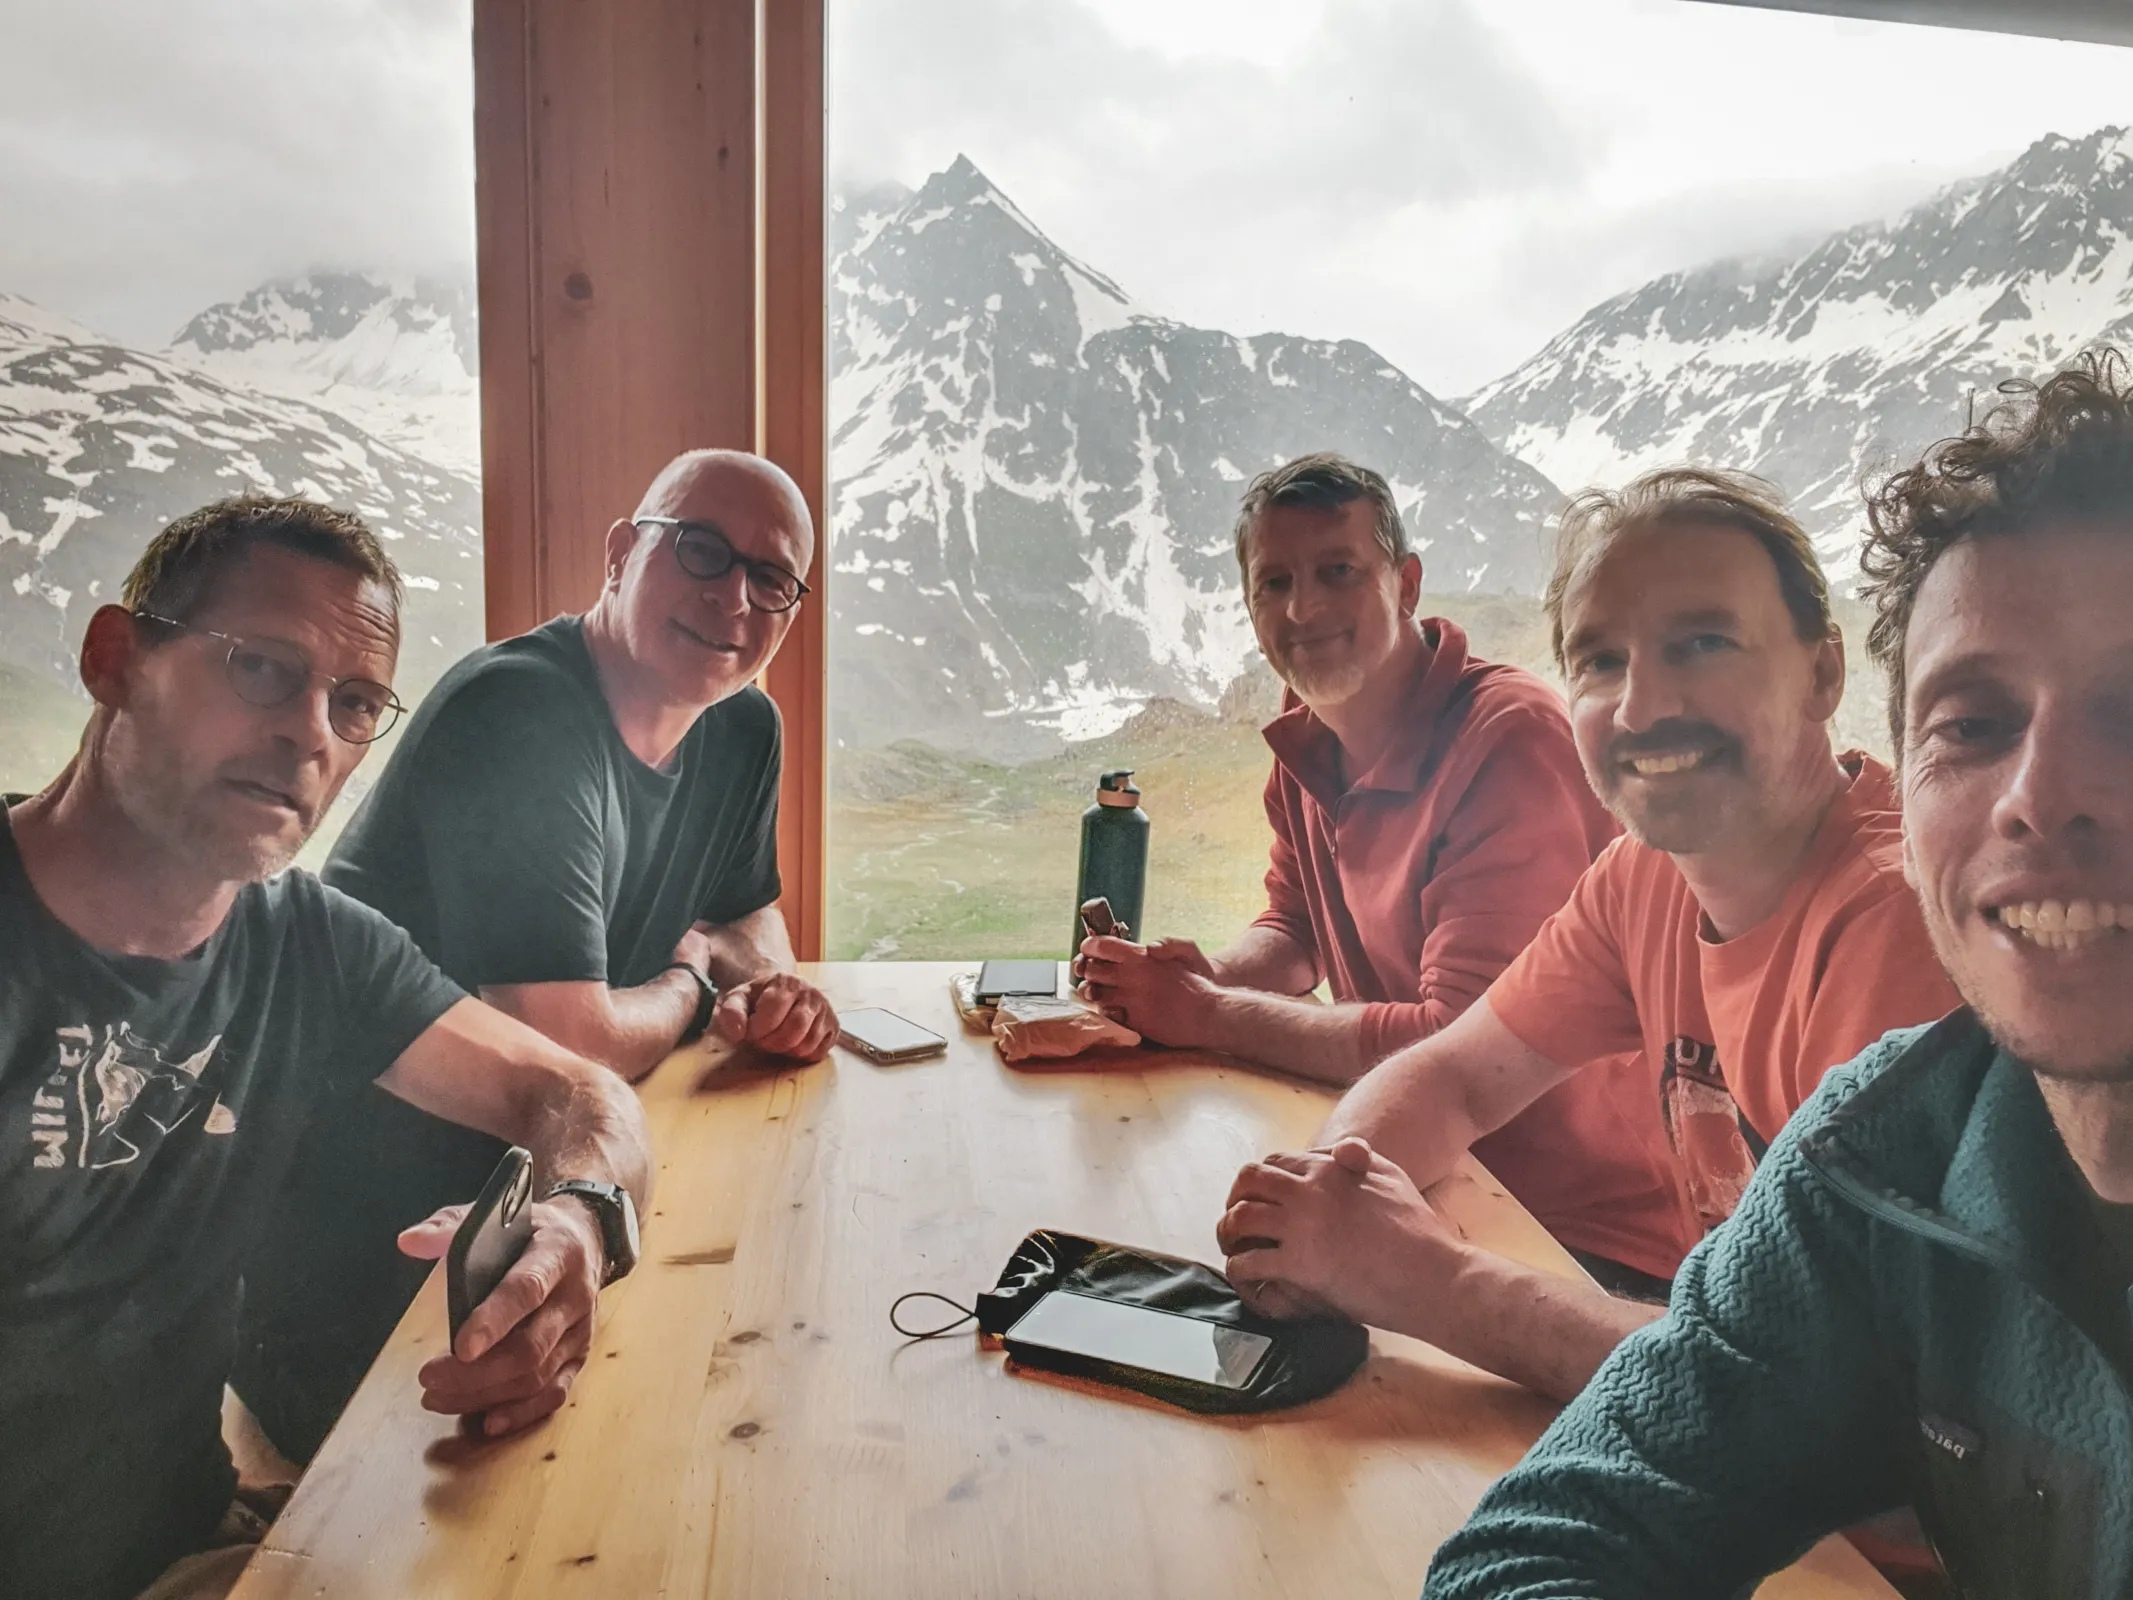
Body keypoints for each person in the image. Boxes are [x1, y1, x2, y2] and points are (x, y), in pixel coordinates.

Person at [1425, 348, 2133, 1599]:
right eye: (1972, 725)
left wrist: (1420, 1277)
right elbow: (1542, 1546)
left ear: (1820, 682)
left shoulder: (1875, 981)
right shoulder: (1889, 1147)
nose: (2040, 798)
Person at [0, 496, 653, 1600]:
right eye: (260, 668)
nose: (311, 731)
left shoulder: (307, 946)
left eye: (354, 704)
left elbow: (581, 1095)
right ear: (116, 659)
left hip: (190, 1544)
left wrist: (582, 1218)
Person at [1217, 467, 1960, 1403]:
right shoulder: (1645, 875)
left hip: (1865, 1537)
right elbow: (1453, 1075)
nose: (1642, 707)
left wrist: (1424, 1279)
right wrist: (1333, 1202)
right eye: (1600, 661)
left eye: (1701, 643)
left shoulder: (1895, 922)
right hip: (1716, 1429)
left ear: (1822, 672)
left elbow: (1819, 1397)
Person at [235, 449, 836, 1463]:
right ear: (619, 554)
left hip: (554, 1194)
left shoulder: (744, 725)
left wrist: (768, 992)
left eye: (770, 577)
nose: (732, 595)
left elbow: (742, 919)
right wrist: (693, 987)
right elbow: (570, 1036)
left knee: (794, 1364)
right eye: (700, 550)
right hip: (370, 1276)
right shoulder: (518, 712)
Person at [1077, 452, 1684, 1291]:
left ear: (1404, 585)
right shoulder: (1304, 732)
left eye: (1337, 571)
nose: (1304, 607)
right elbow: (1294, 930)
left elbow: (1452, 1035)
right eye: (1273, 582)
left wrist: (1209, 1015)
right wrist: (1191, 979)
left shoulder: (1505, 739)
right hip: (1423, 1175)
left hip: (1579, 1236)